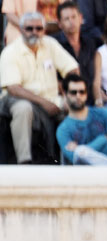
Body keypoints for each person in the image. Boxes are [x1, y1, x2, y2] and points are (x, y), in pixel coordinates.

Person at [0, 12, 80, 164]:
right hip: (17, 99)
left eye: (39, 28)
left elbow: (72, 69)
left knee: (76, 104)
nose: (34, 32)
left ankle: (72, 160)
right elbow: (13, 88)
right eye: (29, 28)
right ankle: (24, 161)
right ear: (22, 29)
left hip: (51, 99)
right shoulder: (10, 51)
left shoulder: (49, 44)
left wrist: (67, 89)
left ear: (44, 30)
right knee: (23, 108)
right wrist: (43, 103)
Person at [56, 72, 107, 164]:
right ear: (65, 93)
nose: (78, 96)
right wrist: (103, 139)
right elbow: (75, 158)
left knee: (79, 152)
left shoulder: (104, 113)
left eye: (82, 92)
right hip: (85, 174)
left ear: (86, 94)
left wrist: (83, 151)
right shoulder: (63, 129)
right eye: (73, 92)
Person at [55, 1, 99, 91]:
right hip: (65, 97)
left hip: (90, 97)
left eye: (74, 17)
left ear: (81, 18)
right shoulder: (54, 43)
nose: (71, 22)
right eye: (66, 19)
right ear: (59, 23)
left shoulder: (90, 43)